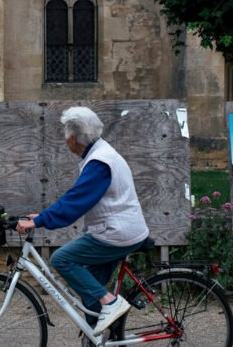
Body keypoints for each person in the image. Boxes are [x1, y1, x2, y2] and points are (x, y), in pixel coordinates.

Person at [16, 106, 149, 336]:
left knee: (62, 258)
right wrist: (43, 216)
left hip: (116, 234)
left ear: (74, 138)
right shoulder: (100, 154)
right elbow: (76, 197)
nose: (64, 139)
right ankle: (103, 334)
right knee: (90, 293)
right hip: (116, 230)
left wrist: (40, 222)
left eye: (66, 134)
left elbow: (76, 202)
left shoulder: (99, 162)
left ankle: (111, 303)